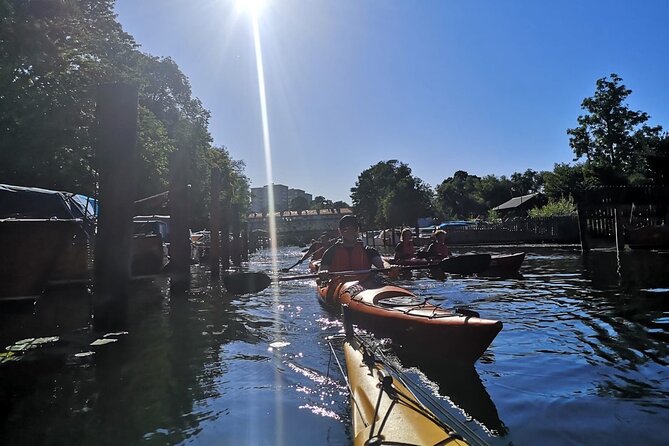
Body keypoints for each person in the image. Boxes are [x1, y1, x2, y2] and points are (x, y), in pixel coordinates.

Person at [320, 215, 396, 281]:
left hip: (365, 284)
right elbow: (322, 270)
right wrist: (323, 273)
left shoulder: (369, 251)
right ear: (340, 231)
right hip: (339, 284)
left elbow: (382, 263)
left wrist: (390, 267)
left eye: (354, 228)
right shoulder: (330, 253)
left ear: (358, 230)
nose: (351, 231)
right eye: (346, 229)